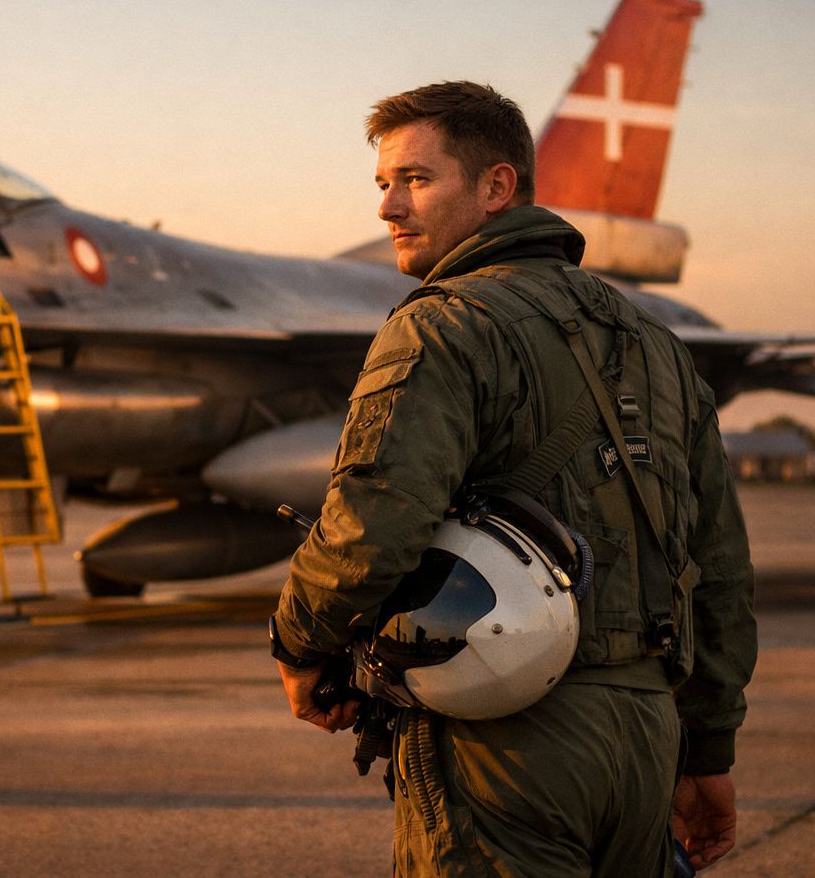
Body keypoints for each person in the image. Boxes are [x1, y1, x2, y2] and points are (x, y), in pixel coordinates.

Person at [270, 82, 756, 875]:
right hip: (644, 740)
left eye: (416, 181)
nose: (388, 208)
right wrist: (708, 747)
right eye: (383, 184)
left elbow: (373, 524)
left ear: (497, 186)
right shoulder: (657, 343)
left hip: (505, 742)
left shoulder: (441, 324)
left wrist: (299, 644)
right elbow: (720, 565)